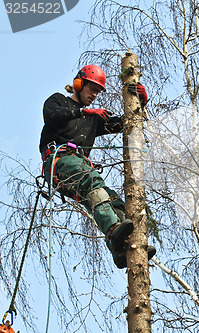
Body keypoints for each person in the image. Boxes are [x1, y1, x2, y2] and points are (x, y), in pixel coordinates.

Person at [39, 64, 155, 269]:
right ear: (78, 84)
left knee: (113, 200)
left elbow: (123, 124)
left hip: (77, 168)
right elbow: (52, 114)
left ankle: (123, 249)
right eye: (91, 88)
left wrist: (141, 103)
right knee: (92, 180)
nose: (94, 94)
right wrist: (84, 112)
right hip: (59, 161)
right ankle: (113, 229)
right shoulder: (58, 101)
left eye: (98, 91)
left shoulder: (93, 119)